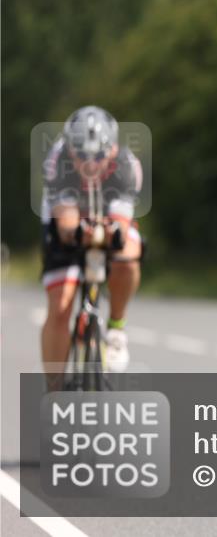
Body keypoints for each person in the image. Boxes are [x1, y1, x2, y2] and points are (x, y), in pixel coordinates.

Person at [40, 106, 143, 388]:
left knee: (128, 258)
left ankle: (116, 330)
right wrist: (77, 233)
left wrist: (112, 233)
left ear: (112, 149)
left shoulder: (126, 165)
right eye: (81, 155)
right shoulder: (56, 161)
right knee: (61, 305)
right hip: (67, 214)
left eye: (98, 155)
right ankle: (55, 390)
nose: (90, 163)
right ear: (69, 149)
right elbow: (66, 224)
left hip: (107, 212)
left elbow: (121, 222)